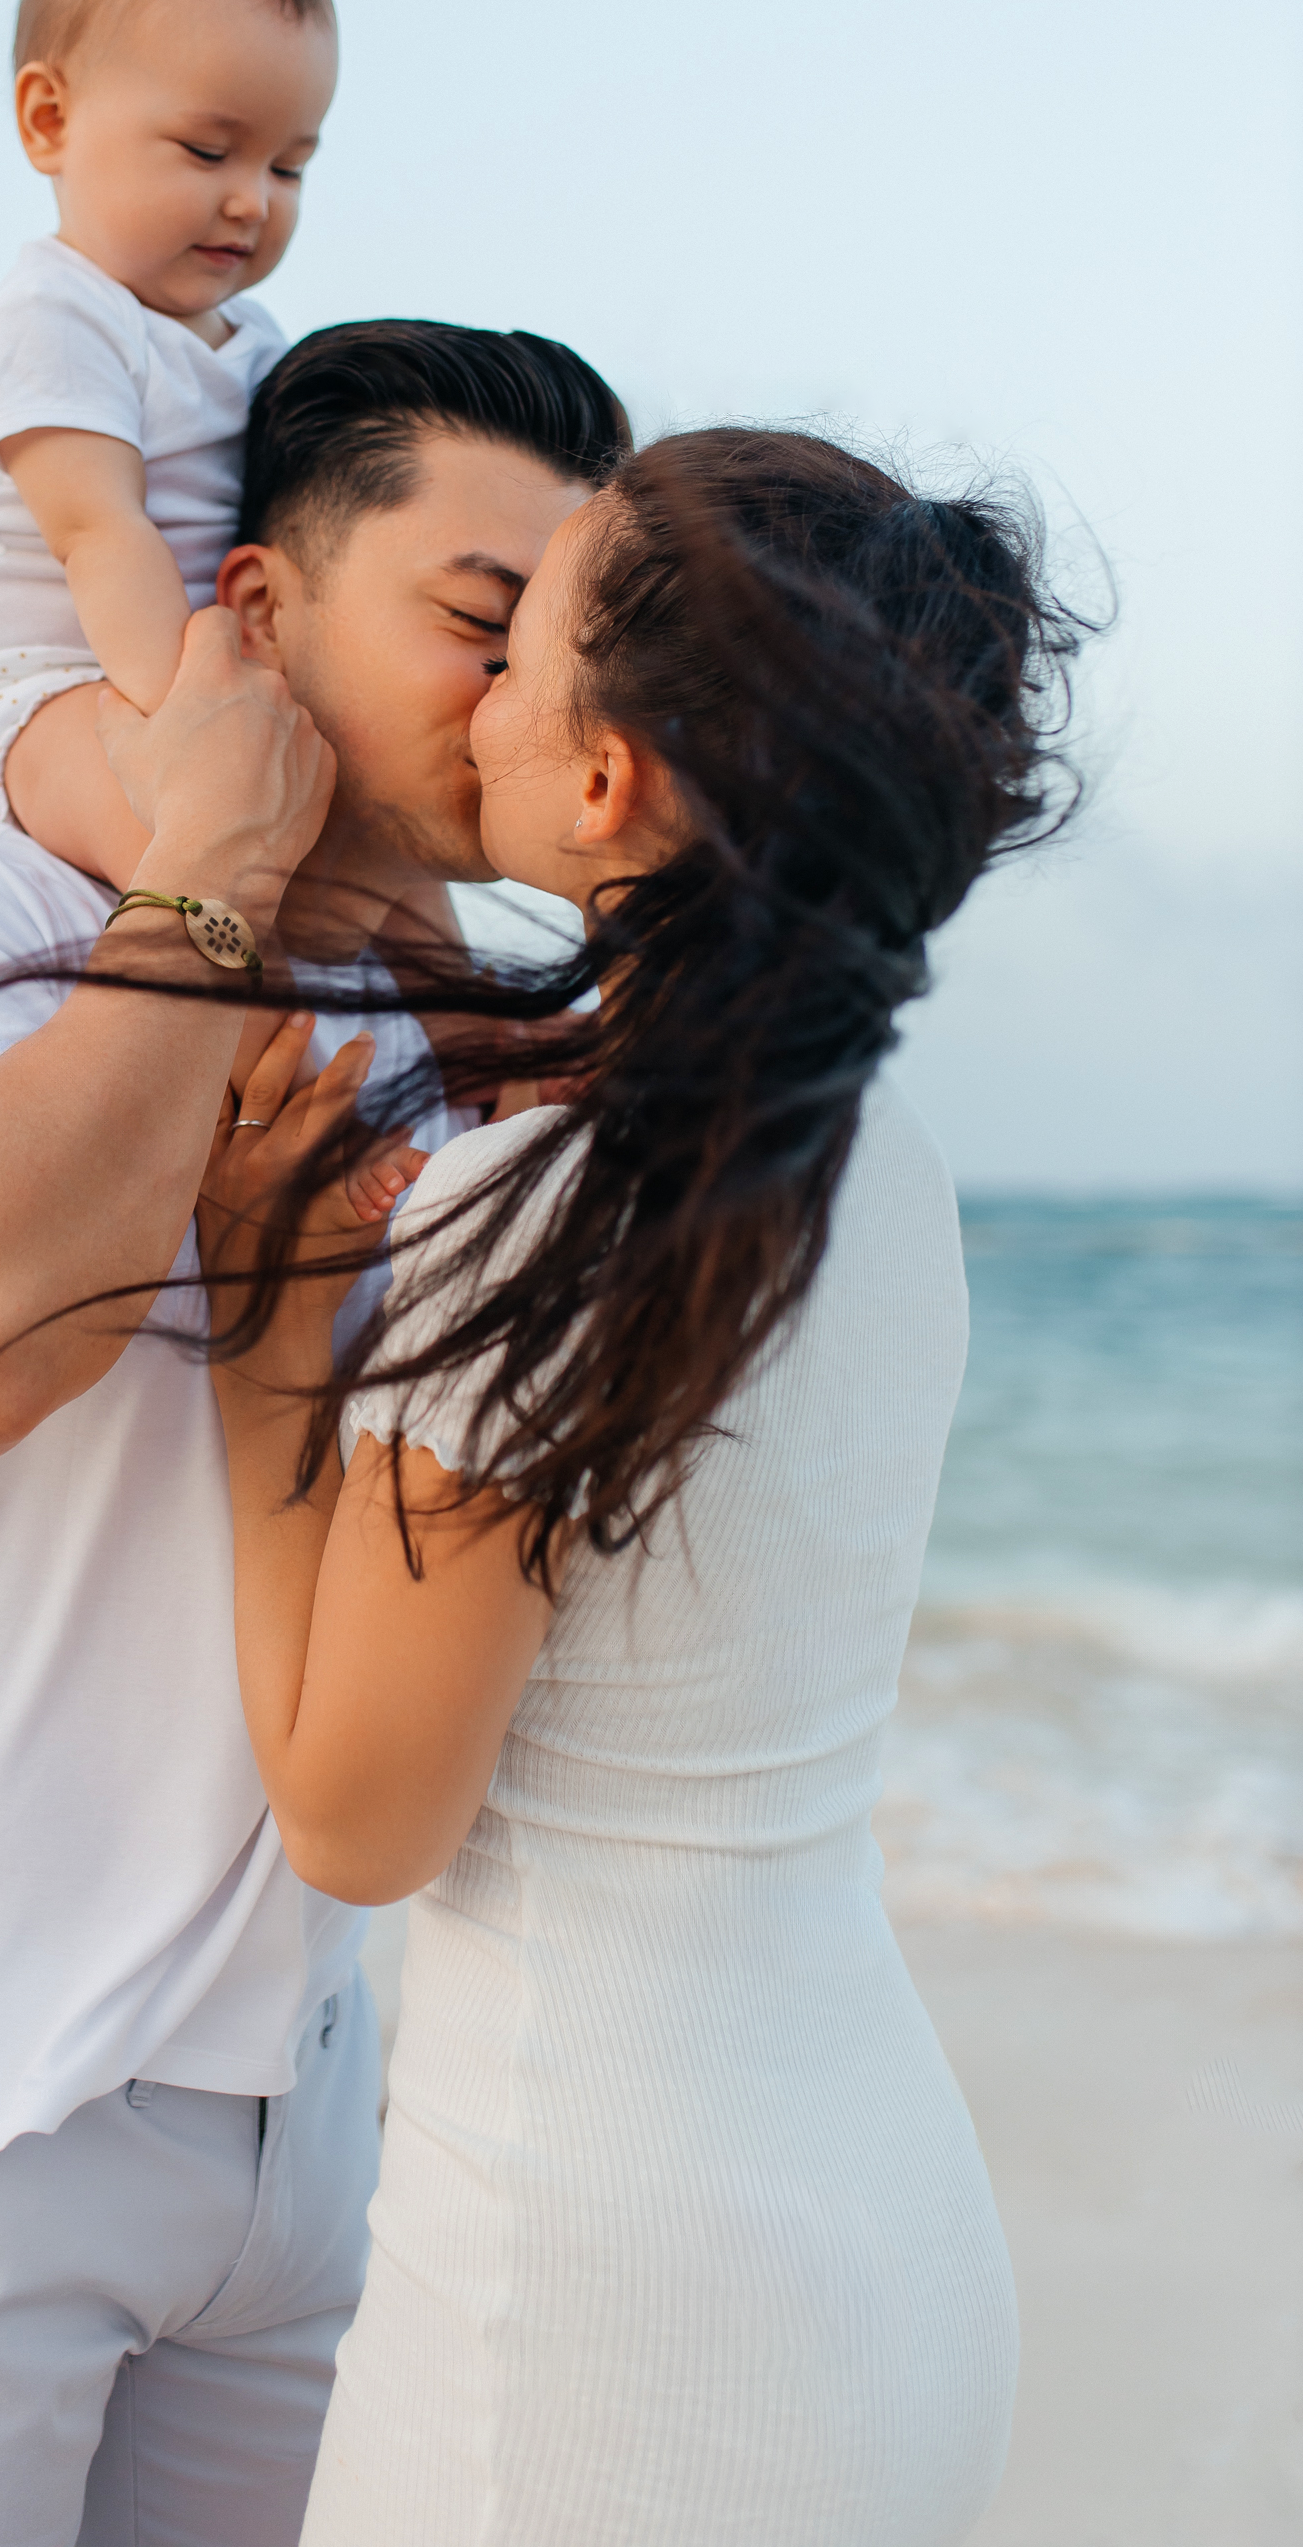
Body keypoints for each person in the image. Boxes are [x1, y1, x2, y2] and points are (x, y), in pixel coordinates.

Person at [0, 321, 627, 2546]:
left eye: (564, 642)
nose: (523, 704)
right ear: (261, 616)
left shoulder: (485, 1042)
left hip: (299, 2113)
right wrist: (206, 876)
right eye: (479, 628)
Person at [193, 431, 1086, 2545]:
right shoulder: (890, 1173)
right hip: (883, 2221)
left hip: (604, 2291)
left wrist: (270, 1328)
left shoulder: (547, 1200)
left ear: (604, 786)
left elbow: (355, 1817)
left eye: (516, 648)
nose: (476, 696)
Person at [0, 0, 339, 885]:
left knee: (350, 813)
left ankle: (448, 1013)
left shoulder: (258, 343)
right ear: (50, 120)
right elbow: (100, 534)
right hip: (35, 688)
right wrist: (186, 721)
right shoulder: (56, 318)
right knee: (182, 842)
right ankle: (232, 1017)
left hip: (192, 673)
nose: (251, 202)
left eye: (288, 167)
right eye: (205, 151)